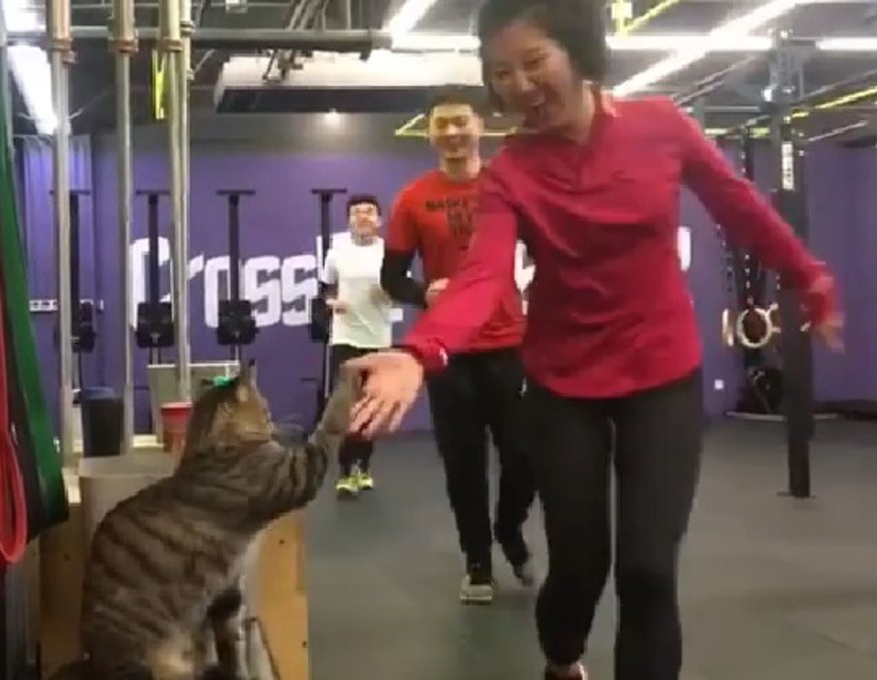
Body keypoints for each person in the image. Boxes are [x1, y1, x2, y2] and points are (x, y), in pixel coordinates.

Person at [347, 1, 843, 679]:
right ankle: (562, 662)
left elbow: (740, 207)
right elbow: (484, 277)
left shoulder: (660, 125)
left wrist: (808, 278)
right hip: (564, 382)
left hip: (662, 374)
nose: (518, 86)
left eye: (533, 63)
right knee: (579, 568)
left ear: (579, 52)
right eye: (501, 73)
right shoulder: (511, 173)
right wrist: (418, 351)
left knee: (648, 572)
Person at [380, 86, 537, 605]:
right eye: (441, 124)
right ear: (429, 134)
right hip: (449, 352)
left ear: (479, 126)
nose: (451, 132)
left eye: (460, 121)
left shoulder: (506, 186)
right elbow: (392, 277)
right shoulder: (413, 198)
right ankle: (478, 561)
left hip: (510, 344)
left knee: (525, 456)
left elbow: (548, 250)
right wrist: (423, 292)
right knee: (463, 464)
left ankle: (509, 528)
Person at [319, 194, 393, 499]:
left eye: (369, 212)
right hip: (346, 337)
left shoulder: (390, 253)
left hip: (379, 339)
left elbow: (400, 288)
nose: (363, 217)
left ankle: (363, 467)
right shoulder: (337, 252)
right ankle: (345, 471)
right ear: (349, 220)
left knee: (371, 408)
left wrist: (388, 294)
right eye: (356, 212)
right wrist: (331, 302)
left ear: (379, 220)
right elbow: (325, 290)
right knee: (349, 407)